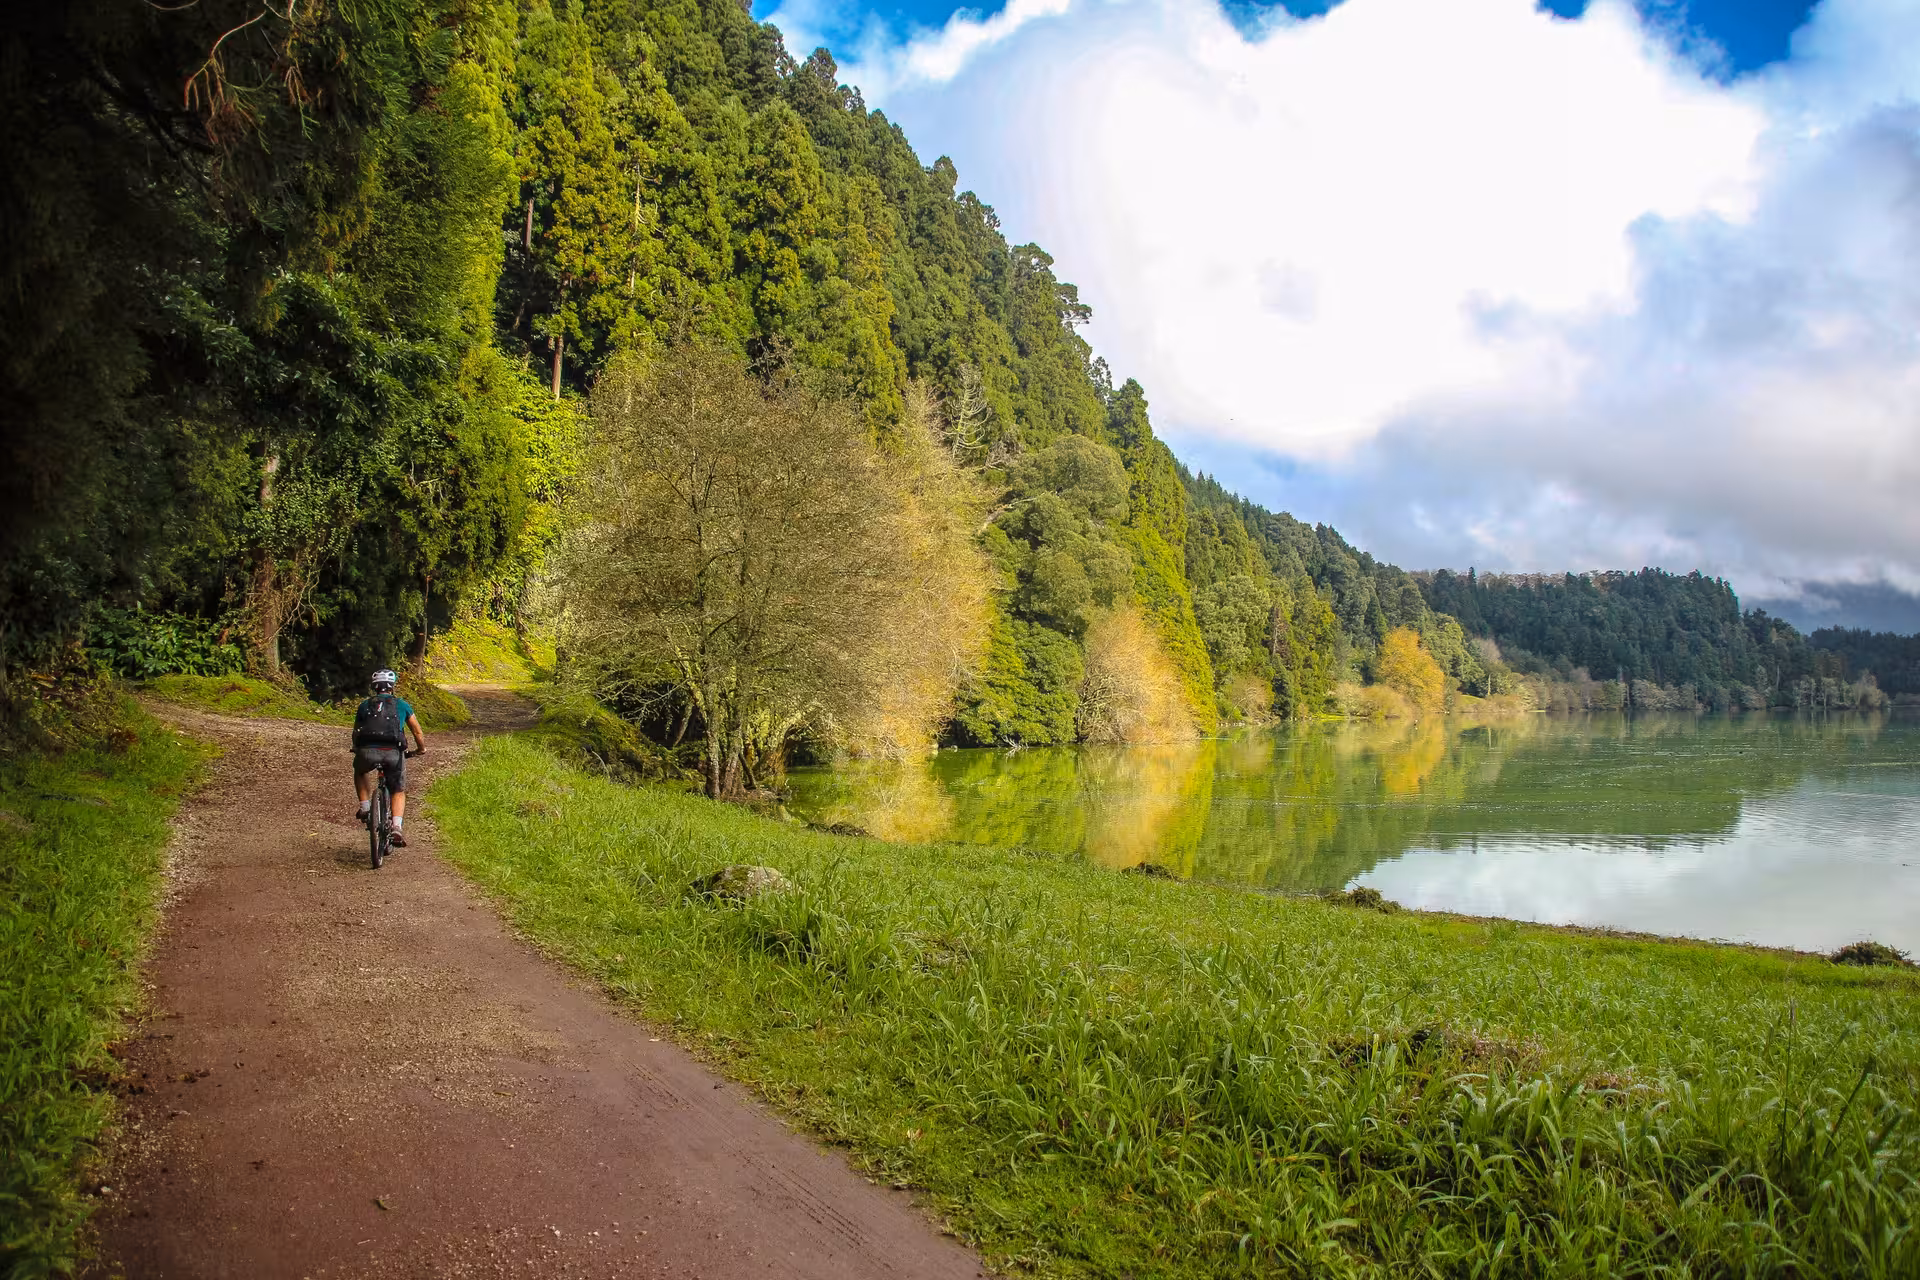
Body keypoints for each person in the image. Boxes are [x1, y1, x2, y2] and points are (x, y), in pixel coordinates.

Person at [351, 669, 426, 848]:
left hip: (367, 751)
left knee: (359, 771)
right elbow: (416, 730)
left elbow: (356, 731)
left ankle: (365, 807)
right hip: (393, 752)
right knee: (398, 789)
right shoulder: (402, 705)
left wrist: (356, 749)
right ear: (392, 687)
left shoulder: (364, 705)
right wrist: (421, 749)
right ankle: (396, 827)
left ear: (374, 687)